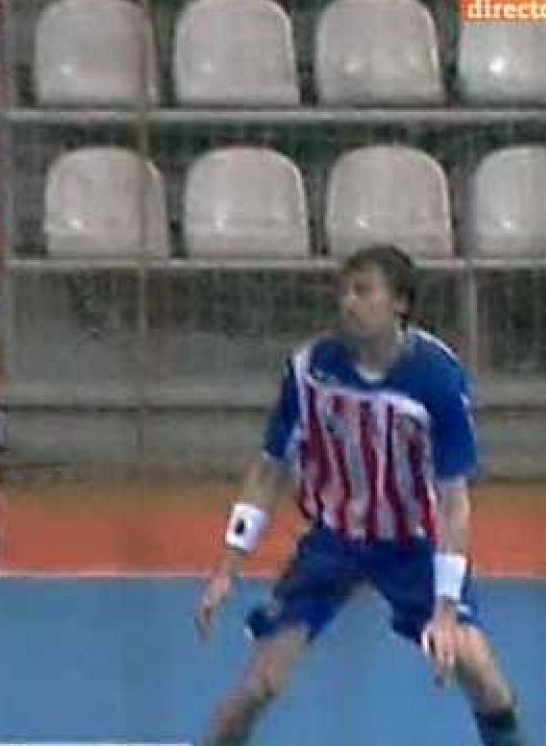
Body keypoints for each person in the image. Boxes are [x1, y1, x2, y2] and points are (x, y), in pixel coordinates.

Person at [194, 245, 525, 746]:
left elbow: (454, 503)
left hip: (412, 546)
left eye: (364, 290)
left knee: (483, 676)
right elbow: (268, 470)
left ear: (400, 303)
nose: (350, 303)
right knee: (259, 687)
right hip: (333, 543)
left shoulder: (436, 379)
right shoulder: (310, 370)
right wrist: (228, 566)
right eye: (344, 291)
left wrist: (443, 611)